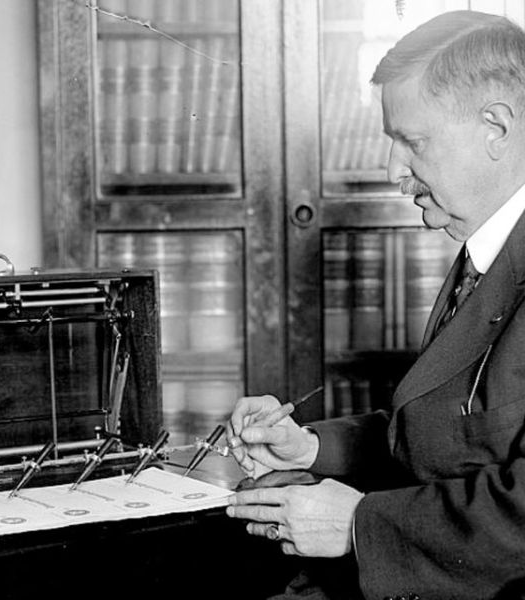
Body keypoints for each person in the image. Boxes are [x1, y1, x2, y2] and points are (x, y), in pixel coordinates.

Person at [225, 10, 525, 600]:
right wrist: (310, 446)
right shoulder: (485, 254)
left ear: (496, 126)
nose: (394, 171)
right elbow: (451, 436)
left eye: (412, 142)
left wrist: (360, 526)